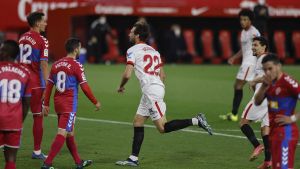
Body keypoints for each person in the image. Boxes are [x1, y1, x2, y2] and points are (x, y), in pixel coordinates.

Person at [115, 20, 212, 167]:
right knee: (138, 122)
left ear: (137, 35)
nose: (129, 33)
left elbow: (127, 74)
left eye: (132, 31)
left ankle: (196, 120)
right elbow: (163, 76)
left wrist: (121, 86)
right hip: (154, 89)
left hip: (151, 91)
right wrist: (157, 88)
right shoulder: (154, 51)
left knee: (163, 127)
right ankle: (133, 159)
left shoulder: (132, 50)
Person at [41, 38, 101, 169]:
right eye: (79, 47)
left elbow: (49, 85)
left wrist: (46, 103)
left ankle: (78, 162)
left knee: (69, 132)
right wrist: (95, 101)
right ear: (75, 49)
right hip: (69, 104)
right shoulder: (77, 65)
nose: (80, 50)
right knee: (62, 132)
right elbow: (84, 87)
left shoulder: (56, 64)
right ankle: (47, 163)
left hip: (58, 103)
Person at [254, 54, 300, 169]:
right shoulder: (269, 83)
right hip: (273, 132)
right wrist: (263, 86)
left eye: (270, 68)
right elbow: (257, 101)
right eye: (265, 70)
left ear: (278, 66)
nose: (267, 72)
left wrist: (292, 118)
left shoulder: (289, 82)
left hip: (286, 133)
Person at [220, 9, 260, 122]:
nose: (242, 21)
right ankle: (261, 113)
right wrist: (234, 57)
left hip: (250, 63)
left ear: (250, 21)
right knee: (254, 88)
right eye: (241, 19)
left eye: (245, 19)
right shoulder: (244, 32)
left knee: (239, 86)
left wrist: (261, 61)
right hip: (246, 62)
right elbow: (244, 49)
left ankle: (234, 114)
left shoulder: (254, 32)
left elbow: (262, 46)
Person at [18, 11, 49, 159]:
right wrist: (48, 86)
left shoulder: (22, 38)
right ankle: (37, 152)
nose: (45, 23)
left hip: (20, 81)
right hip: (35, 83)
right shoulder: (42, 40)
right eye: (44, 21)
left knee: (17, 115)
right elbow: (43, 64)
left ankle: (6, 143)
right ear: (37, 23)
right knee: (38, 116)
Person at [239, 36, 271, 169]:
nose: (253, 47)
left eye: (256, 45)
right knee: (265, 129)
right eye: (252, 45)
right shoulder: (265, 59)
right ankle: (268, 162)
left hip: (262, 97)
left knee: (243, 123)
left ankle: (257, 146)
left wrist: (253, 82)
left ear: (264, 47)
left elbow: (268, 76)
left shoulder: (263, 59)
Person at [0, 40, 30, 169]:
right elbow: (26, 102)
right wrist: (20, 121)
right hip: (14, 121)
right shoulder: (25, 73)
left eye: (2, 50)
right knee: (11, 160)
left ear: (6, 53)